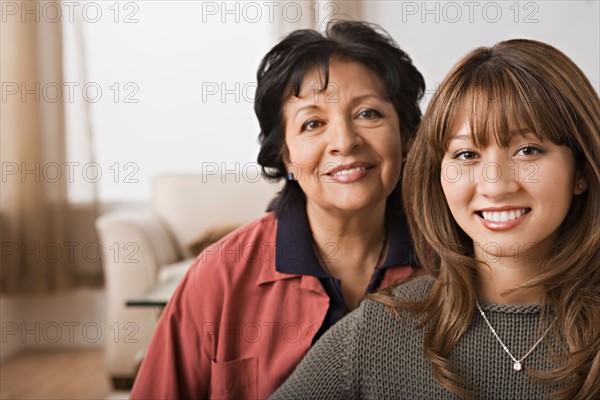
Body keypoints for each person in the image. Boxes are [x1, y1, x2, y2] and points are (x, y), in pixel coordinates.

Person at [271, 39, 600, 400]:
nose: (494, 184)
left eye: (528, 150)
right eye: (466, 153)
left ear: (581, 170)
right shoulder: (378, 331)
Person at [130, 20, 425, 399]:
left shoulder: (452, 262)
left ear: (403, 134)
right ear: (284, 154)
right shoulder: (220, 276)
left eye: (368, 113)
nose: (345, 142)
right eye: (313, 123)